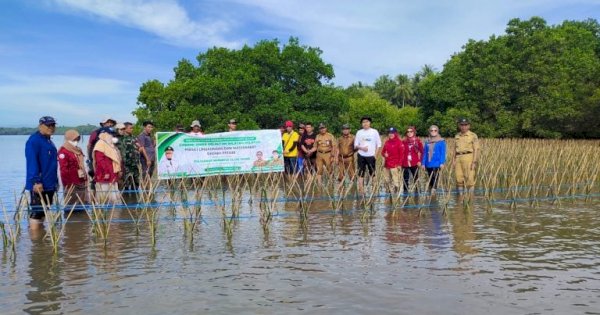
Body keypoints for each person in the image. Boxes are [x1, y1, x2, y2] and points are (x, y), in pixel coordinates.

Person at [25, 116, 59, 229]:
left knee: (45, 211)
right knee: (37, 212)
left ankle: (40, 241)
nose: (51, 127)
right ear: (40, 126)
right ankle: (35, 240)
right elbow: (32, 162)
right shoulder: (34, 141)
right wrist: (36, 181)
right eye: (48, 125)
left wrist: (56, 182)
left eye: (53, 125)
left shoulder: (49, 141)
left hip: (50, 183)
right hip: (39, 184)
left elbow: (52, 164)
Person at [58, 129, 88, 206]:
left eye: (78, 139)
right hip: (71, 183)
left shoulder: (78, 150)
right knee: (72, 204)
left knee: (82, 204)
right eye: (75, 139)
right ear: (69, 138)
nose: (76, 141)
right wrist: (67, 184)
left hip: (81, 180)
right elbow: (63, 169)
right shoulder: (63, 151)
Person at [86, 116, 116, 186]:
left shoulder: (112, 133)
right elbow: (89, 145)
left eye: (111, 122)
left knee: (111, 179)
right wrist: (90, 158)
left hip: (109, 159)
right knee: (96, 178)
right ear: (103, 124)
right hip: (98, 158)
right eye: (108, 122)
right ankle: (95, 195)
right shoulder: (96, 132)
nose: (110, 124)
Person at [354, 116, 382, 192]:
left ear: (370, 123)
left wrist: (375, 155)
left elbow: (379, 144)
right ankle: (361, 190)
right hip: (361, 155)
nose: (365, 123)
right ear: (361, 124)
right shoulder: (359, 132)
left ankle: (374, 189)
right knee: (360, 173)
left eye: (367, 122)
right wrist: (362, 148)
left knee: (372, 173)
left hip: (371, 156)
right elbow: (355, 145)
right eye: (363, 122)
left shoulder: (374, 131)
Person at [93, 130, 122, 204]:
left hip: (112, 173)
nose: (112, 136)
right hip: (104, 175)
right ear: (105, 135)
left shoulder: (110, 145)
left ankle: (114, 213)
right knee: (104, 194)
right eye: (111, 135)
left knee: (113, 193)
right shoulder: (100, 144)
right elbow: (100, 160)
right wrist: (106, 172)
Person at [453, 118, 479, 195]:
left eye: (465, 125)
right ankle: (460, 198)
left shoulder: (473, 135)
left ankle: (470, 198)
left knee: (470, 178)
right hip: (458, 158)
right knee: (459, 179)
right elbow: (454, 149)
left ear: (469, 126)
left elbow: (476, 149)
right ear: (459, 126)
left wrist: (474, 162)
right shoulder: (457, 135)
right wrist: (453, 160)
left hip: (469, 157)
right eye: (462, 125)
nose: (463, 127)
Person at [422, 125, 446, 195]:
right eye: (432, 130)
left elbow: (443, 153)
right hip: (428, 163)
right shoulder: (427, 142)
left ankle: (434, 191)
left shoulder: (441, 141)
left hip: (437, 163)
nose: (433, 132)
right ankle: (431, 190)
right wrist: (423, 163)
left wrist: (442, 163)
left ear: (437, 131)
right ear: (429, 131)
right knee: (430, 178)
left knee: (435, 178)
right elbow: (425, 154)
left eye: (435, 130)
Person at [116, 122, 141, 191]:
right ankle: (126, 200)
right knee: (125, 184)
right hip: (126, 165)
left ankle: (135, 199)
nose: (132, 129)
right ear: (125, 129)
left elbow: (137, 147)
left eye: (132, 128)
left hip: (135, 164)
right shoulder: (121, 139)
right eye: (130, 128)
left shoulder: (134, 137)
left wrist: (139, 148)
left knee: (136, 183)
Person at [401, 126, 424, 194]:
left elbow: (422, 152)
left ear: (414, 132)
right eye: (408, 132)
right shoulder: (403, 141)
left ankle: (417, 193)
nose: (409, 133)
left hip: (415, 162)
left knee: (416, 178)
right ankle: (405, 193)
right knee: (405, 179)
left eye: (411, 131)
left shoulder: (418, 141)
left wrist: (420, 161)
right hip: (405, 162)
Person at [381, 127, 404, 194]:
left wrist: (399, 165)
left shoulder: (399, 142)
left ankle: (396, 195)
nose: (391, 134)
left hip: (395, 166)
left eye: (392, 133)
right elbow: (382, 152)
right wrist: (384, 155)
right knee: (386, 181)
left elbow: (402, 155)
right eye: (389, 133)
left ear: (395, 133)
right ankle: (389, 194)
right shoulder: (387, 142)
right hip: (387, 165)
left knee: (396, 182)